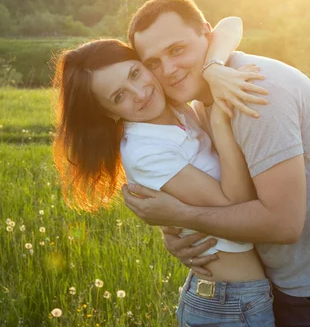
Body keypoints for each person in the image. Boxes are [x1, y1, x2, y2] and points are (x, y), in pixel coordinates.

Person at [122, 0, 310, 327]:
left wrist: (182, 214)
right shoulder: (201, 103)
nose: (169, 70)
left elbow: (283, 223)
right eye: (153, 63)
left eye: (177, 50)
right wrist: (179, 230)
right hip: (281, 281)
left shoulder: (252, 93)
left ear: (206, 35)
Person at [52, 18, 277, 326]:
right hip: (227, 305)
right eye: (119, 96)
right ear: (108, 112)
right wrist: (221, 126)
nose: (139, 93)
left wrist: (212, 68)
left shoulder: (177, 107)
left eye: (135, 73)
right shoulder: (146, 152)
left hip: (242, 297)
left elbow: (232, 24)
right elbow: (236, 208)